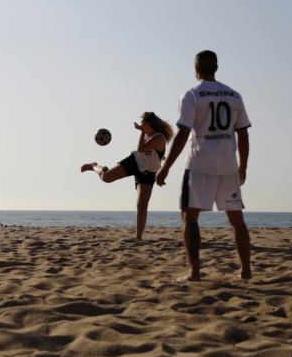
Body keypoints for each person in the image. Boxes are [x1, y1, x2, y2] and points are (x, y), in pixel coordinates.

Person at [155, 50, 252, 282]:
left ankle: (194, 273)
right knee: (236, 219)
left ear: (195, 69)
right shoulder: (234, 95)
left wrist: (166, 166)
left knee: (189, 218)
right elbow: (243, 135)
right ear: (216, 68)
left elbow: (182, 133)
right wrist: (244, 166)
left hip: (199, 164)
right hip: (228, 164)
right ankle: (246, 271)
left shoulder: (191, 94)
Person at [81, 112, 174, 240]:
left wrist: (143, 134)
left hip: (148, 172)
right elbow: (141, 150)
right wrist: (143, 133)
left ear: (148, 124)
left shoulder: (159, 137)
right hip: (134, 161)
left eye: (142, 123)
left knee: (142, 205)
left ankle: (138, 237)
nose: (140, 125)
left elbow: (145, 149)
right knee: (106, 177)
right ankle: (93, 166)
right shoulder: (147, 135)